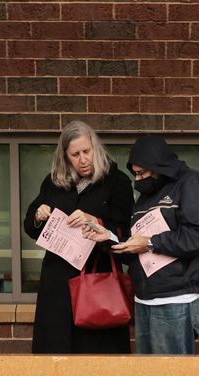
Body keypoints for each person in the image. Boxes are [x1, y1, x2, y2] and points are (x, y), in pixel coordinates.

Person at [23, 121, 134, 354]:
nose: (83, 159)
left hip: (98, 282)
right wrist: (38, 216)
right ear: (65, 156)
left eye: (86, 151)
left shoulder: (117, 182)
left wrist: (95, 221)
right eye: (75, 155)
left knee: (96, 358)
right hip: (57, 285)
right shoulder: (54, 182)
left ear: (96, 148)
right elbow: (31, 227)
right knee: (56, 354)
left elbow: (125, 235)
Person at [103, 135, 199, 355]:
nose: (138, 179)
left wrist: (151, 242)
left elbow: (198, 236)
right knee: (148, 374)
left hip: (176, 298)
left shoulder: (191, 183)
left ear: (158, 166)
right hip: (143, 298)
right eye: (135, 174)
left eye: (142, 173)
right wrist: (107, 238)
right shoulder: (145, 197)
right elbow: (136, 247)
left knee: (171, 373)